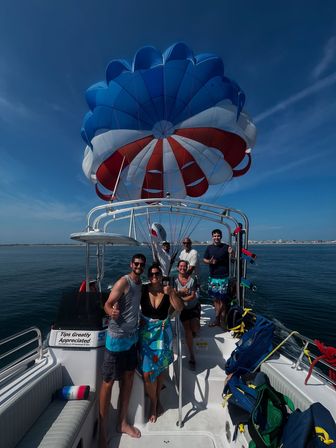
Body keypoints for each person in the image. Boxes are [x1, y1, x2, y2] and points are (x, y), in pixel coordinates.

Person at [99, 253, 146, 446]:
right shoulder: (123, 282)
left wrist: (140, 319)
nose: (138, 266)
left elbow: (134, 307)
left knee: (128, 379)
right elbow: (107, 304)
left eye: (141, 264)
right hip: (116, 340)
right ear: (131, 264)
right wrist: (111, 312)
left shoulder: (140, 285)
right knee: (108, 383)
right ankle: (102, 434)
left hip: (131, 339)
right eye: (136, 263)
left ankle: (122, 423)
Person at [138, 264, 183, 423]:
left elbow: (179, 308)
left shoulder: (167, 290)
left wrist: (172, 293)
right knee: (147, 373)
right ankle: (153, 402)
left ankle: (156, 402)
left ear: (161, 275)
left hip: (164, 335)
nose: (154, 276)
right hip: (147, 335)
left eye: (157, 274)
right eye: (151, 274)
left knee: (160, 370)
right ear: (148, 276)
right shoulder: (143, 290)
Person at [203, 229, 233, 327]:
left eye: (218, 236)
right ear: (212, 237)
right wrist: (209, 262)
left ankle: (221, 319)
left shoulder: (226, 247)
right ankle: (218, 319)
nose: (216, 237)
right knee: (215, 299)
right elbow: (204, 259)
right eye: (215, 236)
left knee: (222, 299)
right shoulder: (209, 248)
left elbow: (233, 258)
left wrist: (231, 252)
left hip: (223, 277)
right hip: (213, 277)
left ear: (221, 236)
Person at [174, 260, 200, 367]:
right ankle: (192, 355)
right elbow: (173, 294)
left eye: (185, 266)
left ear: (187, 268)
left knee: (195, 329)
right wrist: (182, 292)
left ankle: (197, 318)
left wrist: (181, 297)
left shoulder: (193, 280)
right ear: (177, 268)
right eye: (180, 266)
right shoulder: (174, 280)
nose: (183, 268)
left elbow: (192, 296)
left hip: (193, 307)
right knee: (187, 329)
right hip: (183, 309)